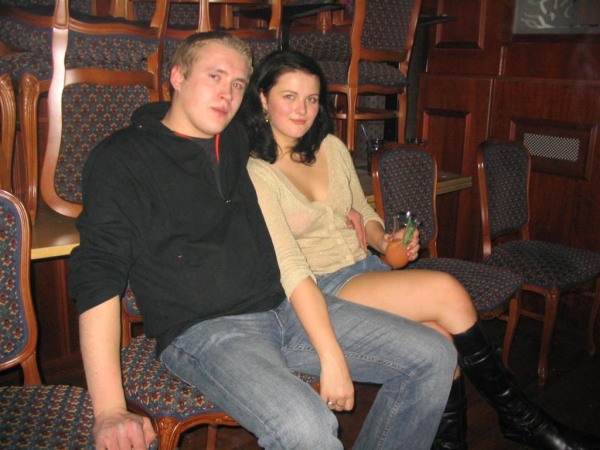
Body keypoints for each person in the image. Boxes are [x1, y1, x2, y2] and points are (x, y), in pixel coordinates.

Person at [68, 31, 458, 450]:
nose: (227, 94)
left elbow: (297, 121)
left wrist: (343, 211)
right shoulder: (122, 157)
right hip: (209, 330)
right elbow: (98, 275)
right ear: (177, 76)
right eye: (215, 76)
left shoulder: (239, 138)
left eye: (238, 84)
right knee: (307, 426)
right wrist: (109, 409)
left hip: (285, 308)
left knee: (436, 354)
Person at [242, 49, 600, 450]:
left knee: (442, 342)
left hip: (365, 270)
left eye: (311, 98)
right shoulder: (257, 172)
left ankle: (452, 443)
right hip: (321, 287)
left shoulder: (331, 147)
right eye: (289, 96)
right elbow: (287, 264)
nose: (302, 109)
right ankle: (522, 418)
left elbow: (362, 211)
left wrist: (385, 240)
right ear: (263, 99)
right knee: (444, 290)